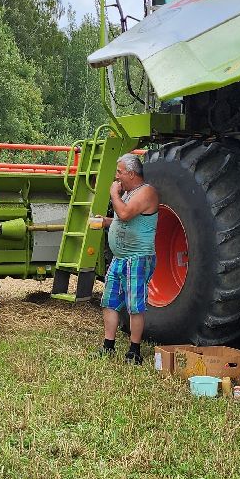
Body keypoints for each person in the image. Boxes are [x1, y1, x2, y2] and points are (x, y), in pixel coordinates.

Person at [95, 153, 159, 364]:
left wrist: (114, 194)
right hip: (120, 257)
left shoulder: (146, 191)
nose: (117, 177)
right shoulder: (130, 194)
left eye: (120, 172)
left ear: (131, 174)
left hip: (138, 257)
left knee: (134, 305)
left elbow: (125, 214)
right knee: (110, 302)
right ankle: (108, 345)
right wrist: (105, 221)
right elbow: (123, 219)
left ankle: (134, 350)